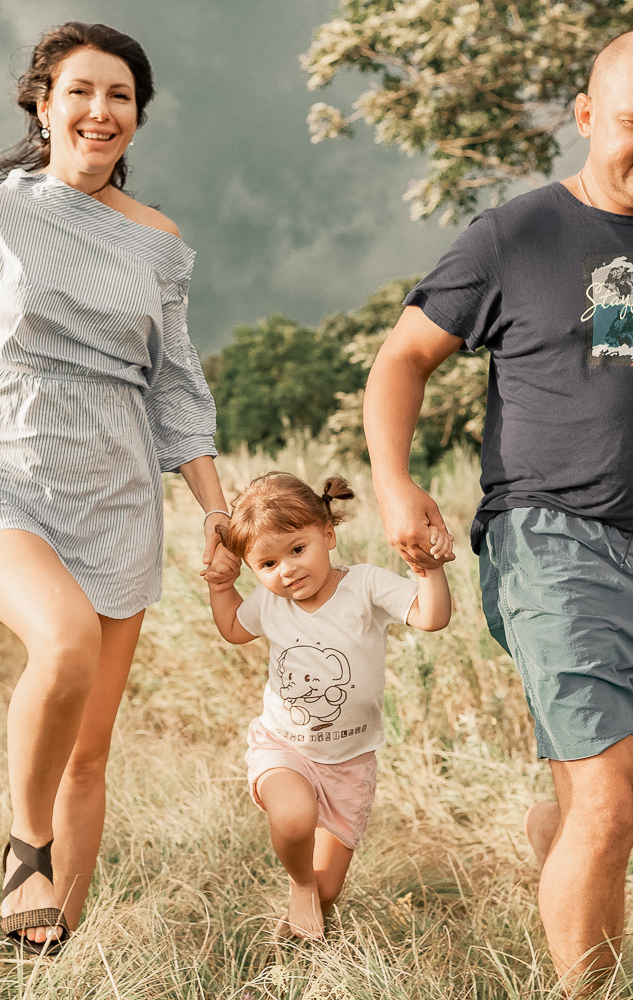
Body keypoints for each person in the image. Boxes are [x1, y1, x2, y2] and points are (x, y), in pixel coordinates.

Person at [362, 30, 633, 994]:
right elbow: (400, 359)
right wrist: (395, 484)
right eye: (632, 124)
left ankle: (553, 834)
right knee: (610, 796)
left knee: (597, 800)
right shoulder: (515, 234)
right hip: (551, 535)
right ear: (588, 117)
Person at [0, 22, 233, 954]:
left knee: (89, 752)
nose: (100, 110)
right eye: (80, 91)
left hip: (118, 497)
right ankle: (22, 848)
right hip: (2, 475)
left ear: (136, 118)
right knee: (64, 638)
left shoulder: (156, 241)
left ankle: (51, 956)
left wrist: (215, 507)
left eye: (119, 96)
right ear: (43, 104)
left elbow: (174, 386)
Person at [206, 471, 451, 939]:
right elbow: (236, 629)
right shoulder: (270, 602)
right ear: (254, 570)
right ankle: (298, 883)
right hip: (285, 747)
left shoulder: (365, 585)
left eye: (298, 550)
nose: (288, 570)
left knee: (328, 892)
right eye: (268, 563)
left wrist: (430, 571)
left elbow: (430, 617)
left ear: (328, 534)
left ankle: (295, 951)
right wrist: (221, 588)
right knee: (294, 819)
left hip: (349, 763)